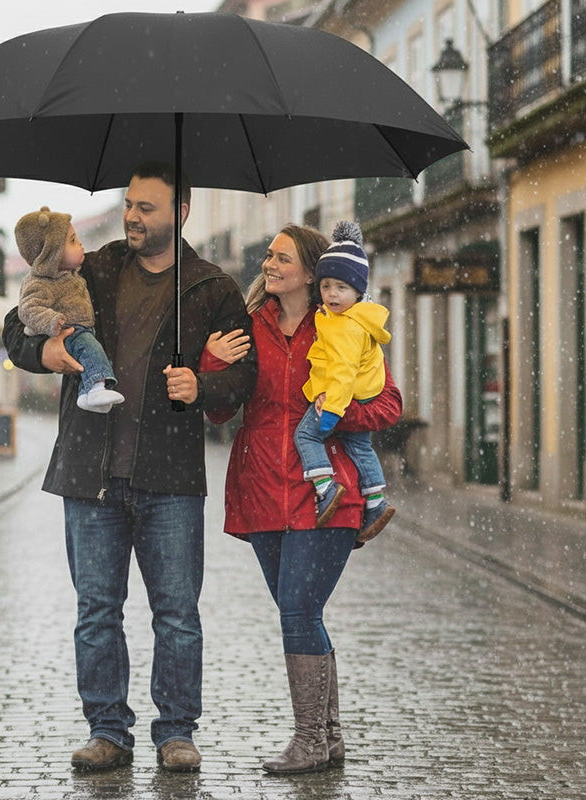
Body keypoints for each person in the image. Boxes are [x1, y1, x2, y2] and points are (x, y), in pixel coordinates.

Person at [1, 162, 256, 773]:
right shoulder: (96, 268)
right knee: (96, 611)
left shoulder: (212, 287)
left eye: (147, 207)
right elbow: (17, 325)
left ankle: (177, 732)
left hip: (171, 478)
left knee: (177, 614)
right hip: (90, 473)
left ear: (180, 213)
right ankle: (107, 730)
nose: (133, 217)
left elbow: (246, 377)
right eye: (130, 205)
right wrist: (46, 352)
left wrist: (203, 385)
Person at [208, 223, 402, 774]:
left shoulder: (344, 325)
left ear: (313, 272)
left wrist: (334, 417)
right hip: (262, 489)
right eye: (268, 255)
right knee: (301, 612)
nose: (268, 264)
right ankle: (329, 737)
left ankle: (310, 740)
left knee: (297, 610)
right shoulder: (248, 327)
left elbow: (388, 404)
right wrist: (213, 363)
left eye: (281, 257)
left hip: (328, 492)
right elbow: (219, 412)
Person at [293, 221, 396, 542]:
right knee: (360, 446)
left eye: (341, 287)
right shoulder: (351, 319)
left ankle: (325, 488)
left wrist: (332, 411)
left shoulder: (346, 327)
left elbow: (342, 372)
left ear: (358, 291)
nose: (332, 294)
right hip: (361, 396)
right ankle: (376, 502)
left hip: (340, 400)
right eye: (326, 286)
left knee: (306, 436)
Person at [15, 207, 124, 413]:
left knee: (89, 352)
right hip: (70, 331)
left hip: (81, 328)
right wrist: (51, 322)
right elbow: (26, 309)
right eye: (72, 241)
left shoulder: (72, 274)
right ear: (52, 255)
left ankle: (85, 394)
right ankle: (97, 386)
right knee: (91, 349)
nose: (80, 244)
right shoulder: (41, 283)